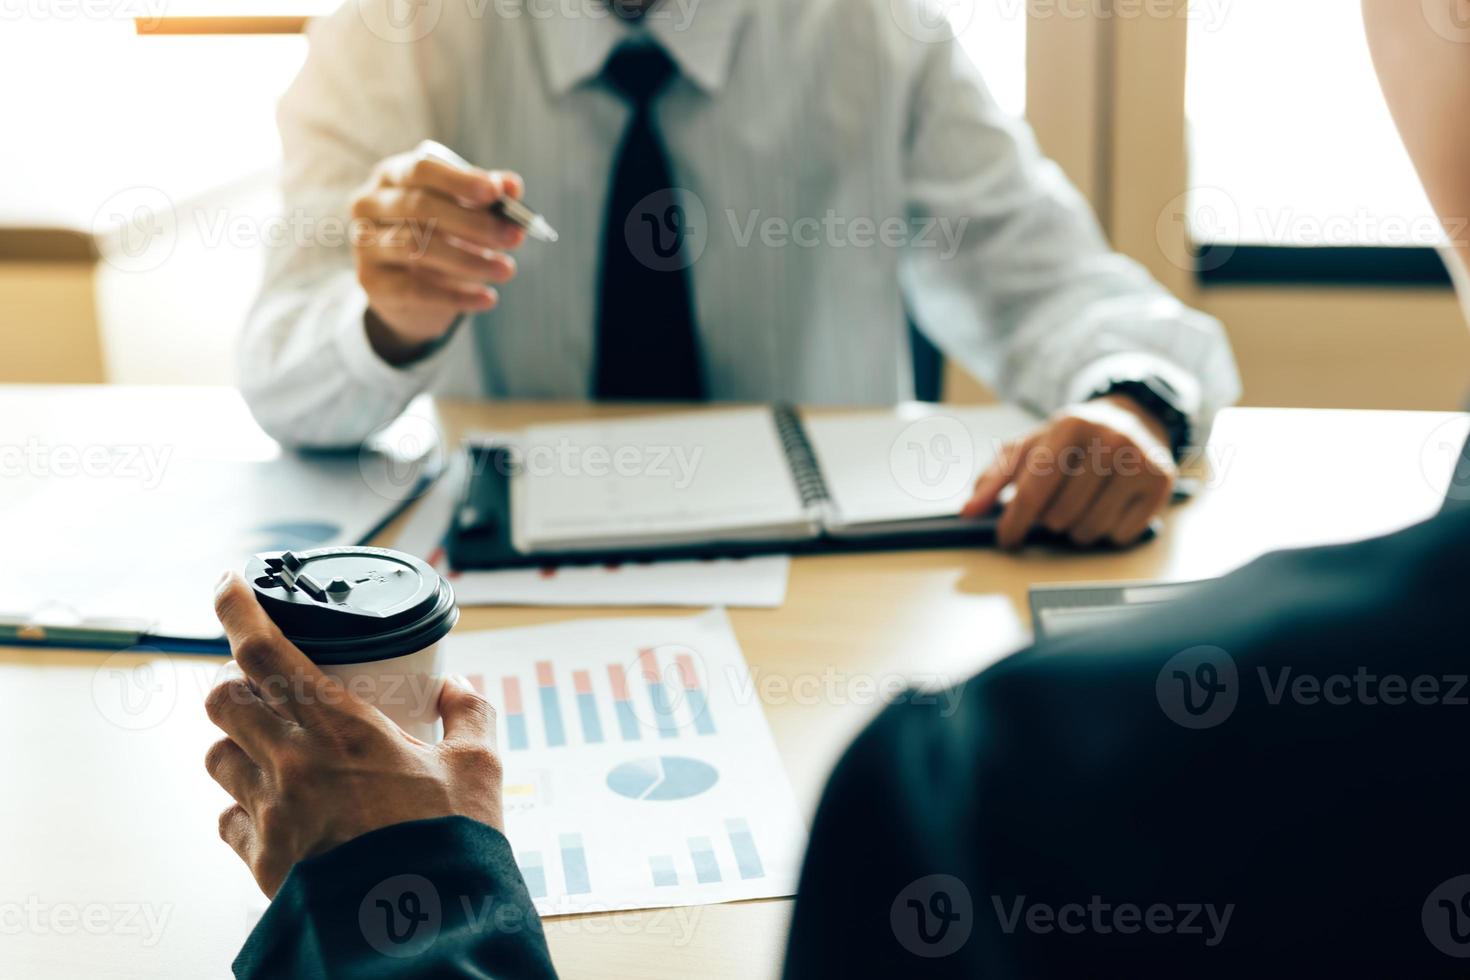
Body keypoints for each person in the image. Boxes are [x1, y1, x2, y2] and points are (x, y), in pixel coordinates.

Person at [240, 0, 1241, 549]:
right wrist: (387, 322)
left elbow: (1058, 287)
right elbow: (288, 389)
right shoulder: (388, 35)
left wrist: (1131, 401)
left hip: (825, 583)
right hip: (500, 586)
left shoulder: (877, 31)